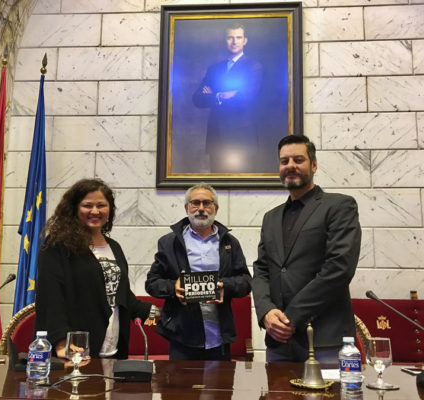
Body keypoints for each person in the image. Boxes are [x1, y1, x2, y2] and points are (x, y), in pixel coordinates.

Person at [252, 135, 362, 364]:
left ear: (313, 165)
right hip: (279, 343)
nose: (290, 165)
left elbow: (338, 268)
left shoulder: (339, 206)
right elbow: (262, 269)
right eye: (284, 161)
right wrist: (265, 312)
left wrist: (291, 318)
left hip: (325, 340)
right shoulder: (270, 218)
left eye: (298, 159)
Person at [35, 178, 158, 359]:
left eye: (101, 205)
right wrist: (61, 341)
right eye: (87, 205)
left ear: (110, 209)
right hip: (76, 348)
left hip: (114, 346)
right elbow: (51, 295)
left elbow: (119, 291)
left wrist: (156, 311)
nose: (95, 211)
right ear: (75, 208)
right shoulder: (57, 245)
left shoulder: (114, 246)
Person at [145, 183, 251, 360]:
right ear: (187, 207)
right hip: (182, 336)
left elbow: (246, 281)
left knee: (220, 388)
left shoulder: (230, 243)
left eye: (207, 203)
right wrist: (174, 287)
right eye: (195, 203)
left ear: (215, 208)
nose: (201, 208)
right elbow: (152, 283)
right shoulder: (169, 243)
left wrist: (227, 287)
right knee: (181, 389)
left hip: (219, 336)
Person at [192, 24, 263, 173]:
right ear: (225, 40)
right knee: (218, 185)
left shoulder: (254, 66)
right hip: (216, 137)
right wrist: (223, 95)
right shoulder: (214, 69)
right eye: (230, 37)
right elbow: (197, 98)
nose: (234, 41)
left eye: (238, 37)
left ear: (245, 41)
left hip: (242, 139)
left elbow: (245, 99)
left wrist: (213, 94)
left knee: (242, 188)